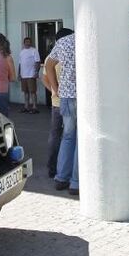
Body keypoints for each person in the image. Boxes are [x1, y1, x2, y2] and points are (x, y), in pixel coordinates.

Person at [44, 30, 78, 196]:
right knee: (81, 139)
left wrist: (55, 88)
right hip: (85, 97)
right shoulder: (91, 39)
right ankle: (76, 182)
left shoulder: (63, 42)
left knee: (67, 137)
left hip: (66, 96)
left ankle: (61, 177)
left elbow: (48, 65)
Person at [18, 37, 42, 113]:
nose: (27, 43)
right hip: (23, 75)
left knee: (33, 91)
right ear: (24, 43)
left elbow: (38, 62)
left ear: (31, 43)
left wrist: (36, 72)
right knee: (25, 92)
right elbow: (20, 64)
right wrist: (19, 74)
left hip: (31, 74)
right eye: (26, 42)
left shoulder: (34, 50)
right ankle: (26, 107)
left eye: (29, 42)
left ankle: (35, 107)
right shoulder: (22, 52)